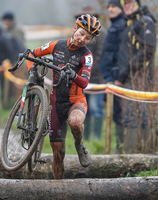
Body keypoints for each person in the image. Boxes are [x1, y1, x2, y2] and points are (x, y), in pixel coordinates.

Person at [26, 14, 101, 179]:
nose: (82, 39)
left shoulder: (87, 56)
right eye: (81, 34)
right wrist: (32, 71)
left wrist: (73, 75)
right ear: (75, 29)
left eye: (87, 38)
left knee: (75, 123)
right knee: (58, 154)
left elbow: (85, 83)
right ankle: (58, 188)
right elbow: (33, 54)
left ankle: (79, 144)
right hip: (55, 104)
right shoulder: (57, 45)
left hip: (76, 101)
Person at [116, 0, 156, 153]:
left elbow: (148, 50)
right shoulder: (130, 24)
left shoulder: (146, 21)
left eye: (130, 2)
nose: (126, 6)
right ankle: (131, 152)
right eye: (124, 3)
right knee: (129, 116)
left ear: (138, 4)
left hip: (140, 78)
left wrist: (128, 69)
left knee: (140, 115)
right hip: (128, 77)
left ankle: (143, 153)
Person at [74, 6, 107, 140]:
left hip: (96, 79)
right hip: (81, 79)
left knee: (96, 108)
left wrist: (87, 71)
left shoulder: (102, 33)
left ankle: (97, 138)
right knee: (84, 108)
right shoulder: (78, 33)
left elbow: (100, 55)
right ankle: (85, 137)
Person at [100, 0, 126, 153]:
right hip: (110, 75)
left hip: (116, 77)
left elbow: (121, 54)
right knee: (114, 114)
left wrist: (117, 75)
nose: (110, 9)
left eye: (114, 6)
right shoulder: (114, 24)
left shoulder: (123, 25)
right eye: (109, 6)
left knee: (119, 114)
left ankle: (120, 148)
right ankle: (116, 147)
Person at [0, 21, 25, 109]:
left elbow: (10, 52)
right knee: (3, 86)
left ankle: (12, 106)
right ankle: (5, 105)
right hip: (3, 68)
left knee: (13, 87)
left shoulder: (3, 38)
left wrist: (11, 66)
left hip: (11, 66)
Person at [0, 11, 27, 100]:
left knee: (18, 82)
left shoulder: (17, 30)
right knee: (11, 82)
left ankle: (19, 101)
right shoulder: (6, 30)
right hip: (11, 59)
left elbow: (19, 46)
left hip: (18, 60)